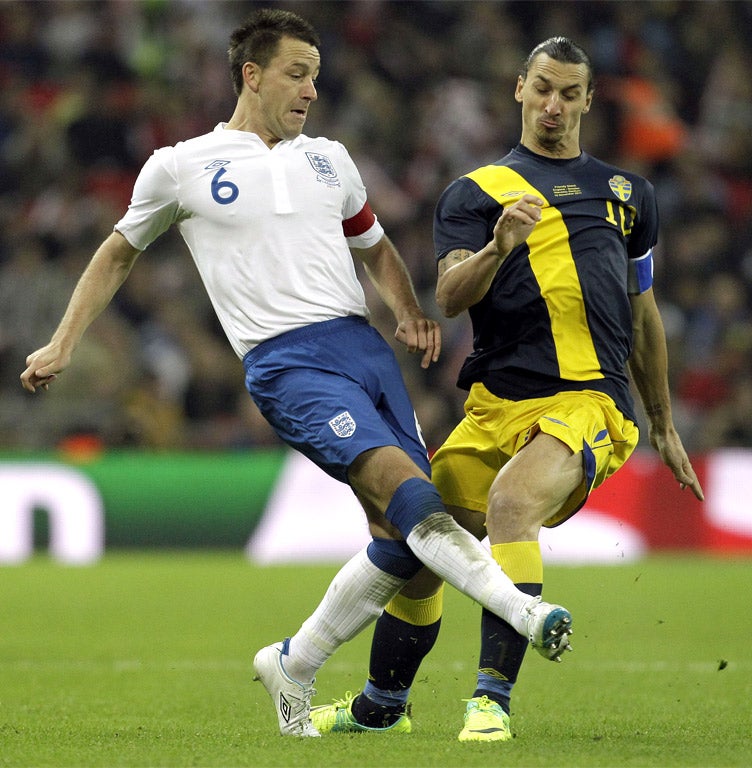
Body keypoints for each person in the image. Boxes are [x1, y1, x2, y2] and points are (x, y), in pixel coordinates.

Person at [19, 9, 574, 739]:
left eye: (316, 75)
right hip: (288, 362)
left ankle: (296, 659)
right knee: (412, 497)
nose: (311, 89)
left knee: (399, 538)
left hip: (364, 351)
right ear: (251, 75)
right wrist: (61, 343)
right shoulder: (180, 165)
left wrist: (407, 311)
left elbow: (373, 247)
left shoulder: (330, 160)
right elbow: (117, 252)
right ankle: (522, 610)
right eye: (296, 73)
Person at [309, 36, 704, 742]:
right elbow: (451, 295)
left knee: (512, 502)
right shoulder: (475, 192)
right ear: (518, 89)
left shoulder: (627, 195)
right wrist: (499, 247)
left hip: (589, 400)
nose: (554, 105)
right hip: (495, 407)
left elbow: (643, 315)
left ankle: (490, 700)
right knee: (420, 537)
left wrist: (665, 425)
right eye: (543, 88)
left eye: (569, 93)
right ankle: (382, 704)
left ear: (586, 101)